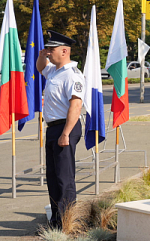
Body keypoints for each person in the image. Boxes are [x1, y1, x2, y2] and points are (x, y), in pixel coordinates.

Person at [36, 31, 85, 229]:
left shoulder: (73, 75)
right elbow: (41, 69)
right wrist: (42, 55)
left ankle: (67, 221)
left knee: (64, 178)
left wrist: (65, 133)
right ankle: (56, 219)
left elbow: (76, 106)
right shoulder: (56, 71)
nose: (49, 53)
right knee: (53, 177)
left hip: (66, 127)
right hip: (53, 128)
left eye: (52, 49)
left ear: (64, 51)